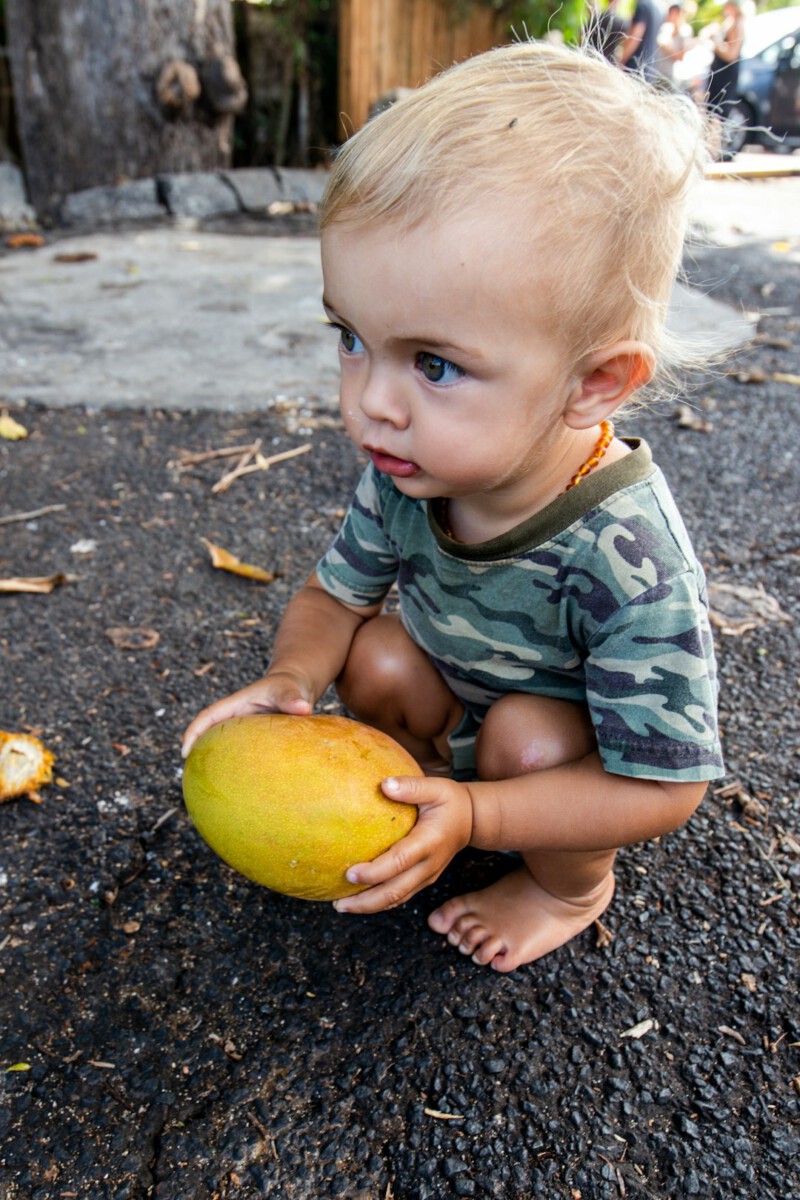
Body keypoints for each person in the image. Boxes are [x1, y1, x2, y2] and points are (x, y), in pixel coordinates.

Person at [183, 42, 724, 973]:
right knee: (378, 648)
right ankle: (421, 793)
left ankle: (564, 888)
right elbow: (333, 599)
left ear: (594, 382)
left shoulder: (627, 552)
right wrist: (291, 680)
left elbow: (664, 787)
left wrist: (486, 815)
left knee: (526, 736)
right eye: (351, 337)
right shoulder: (410, 469)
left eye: (433, 363)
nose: (369, 404)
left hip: (559, 765)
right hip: (455, 709)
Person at [706, 0, 745, 118]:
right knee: (712, 111)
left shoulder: (737, 25)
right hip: (719, 73)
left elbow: (732, 54)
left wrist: (716, 44)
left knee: (719, 114)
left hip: (725, 75)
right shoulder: (729, 22)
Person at [619, 0, 664, 81]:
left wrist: (621, 62)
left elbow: (635, 36)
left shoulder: (643, 4)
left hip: (634, 68)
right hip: (650, 69)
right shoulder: (659, 8)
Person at [656, 2, 694, 83]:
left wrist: (667, 47)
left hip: (670, 75)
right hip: (657, 70)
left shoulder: (685, 31)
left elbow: (681, 57)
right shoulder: (666, 27)